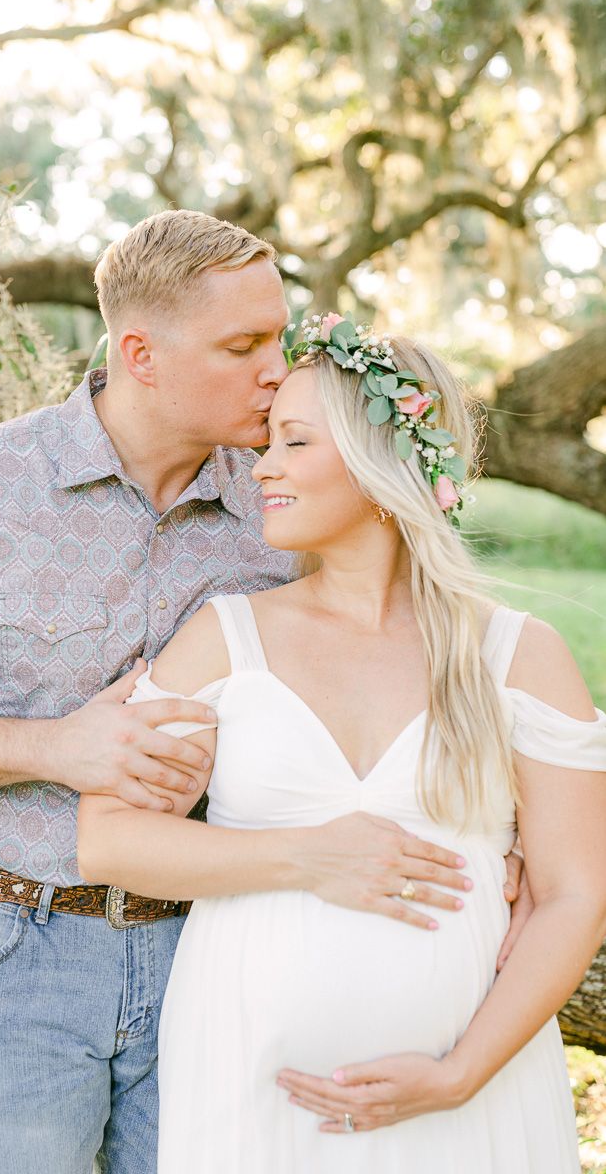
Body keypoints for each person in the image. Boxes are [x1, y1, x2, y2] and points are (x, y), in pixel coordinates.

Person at [0, 214, 508, 1174]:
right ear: (139, 352)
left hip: (219, 950)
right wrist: (51, 748)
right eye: (244, 346)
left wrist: (486, 841)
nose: (277, 369)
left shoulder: (289, 507)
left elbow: (405, 664)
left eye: (281, 338)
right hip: (16, 951)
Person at [77, 316, 606, 1173]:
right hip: (252, 1076)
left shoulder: (517, 655)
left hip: (471, 1092)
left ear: (379, 460)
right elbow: (109, 839)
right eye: (267, 441)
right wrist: (307, 858)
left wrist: (459, 1076)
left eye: (294, 441)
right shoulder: (225, 635)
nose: (265, 465)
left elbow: (576, 894)